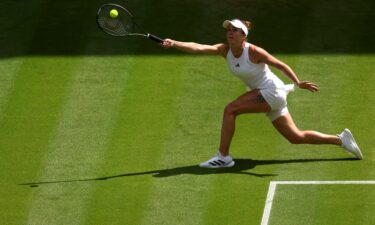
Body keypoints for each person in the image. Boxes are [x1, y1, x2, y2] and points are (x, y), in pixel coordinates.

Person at [162, 19, 363, 168]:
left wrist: (297, 82)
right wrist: (174, 43)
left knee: (230, 109)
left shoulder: (254, 52)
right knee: (296, 137)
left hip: (271, 91)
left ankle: (223, 156)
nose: (230, 33)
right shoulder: (225, 50)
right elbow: (198, 48)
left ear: (244, 35)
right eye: (229, 30)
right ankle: (341, 140)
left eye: (235, 30)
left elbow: (280, 65)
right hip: (269, 94)